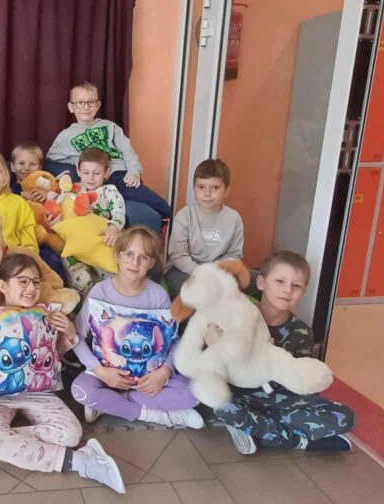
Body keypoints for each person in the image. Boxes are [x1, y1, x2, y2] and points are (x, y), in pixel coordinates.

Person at [0, 253, 126, 494]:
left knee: (71, 434)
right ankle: (80, 461)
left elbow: (51, 358)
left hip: (39, 393)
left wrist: (69, 333)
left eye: (36, 282)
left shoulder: (45, 315)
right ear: (3, 286)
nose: (31, 288)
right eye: (23, 281)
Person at [211, 251, 355, 455]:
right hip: (241, 396)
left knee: (345, 418)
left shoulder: (301, 332)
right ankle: (299, 441)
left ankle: (257, 428)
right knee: (222, 405)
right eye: (280, 281)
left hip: (280, 400)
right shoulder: (237, 317)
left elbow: (303, 382)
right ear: (261, 282)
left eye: (296, 286)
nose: (287, 290)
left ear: (303, 292)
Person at [71, 227, 203, 428]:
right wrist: (101, 372)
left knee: (196, 394)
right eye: (129, 255)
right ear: (117, 256)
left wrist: (164, 372)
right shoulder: (100, 292)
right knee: (80, 391)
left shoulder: (157, 294)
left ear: (151, 263)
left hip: (149, 375)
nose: (135, 263)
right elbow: (77, 336)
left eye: (143, 258)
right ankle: (154, 415)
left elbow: (173, 340)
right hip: (107, 374)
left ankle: (114, 401)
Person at [45, 82, 171, 232]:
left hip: (117, 174)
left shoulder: (110, 127)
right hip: (93, 179)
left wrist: (134, 171)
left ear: (98, 105)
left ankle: (167, 217)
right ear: (71, 107)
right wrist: (74, 164)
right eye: (80, 102)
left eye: (91, 102)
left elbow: (127, 150)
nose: (86, 107)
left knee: (152, 200)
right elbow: (50, 161)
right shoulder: (65, 136)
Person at [0, 147, 68, 282]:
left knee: (51, 267)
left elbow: (27, 232)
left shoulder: (18, 202)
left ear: (5, 171)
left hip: (17, 263)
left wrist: (29, 258)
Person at [164, 158, 244, 301]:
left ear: (226, 190)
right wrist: (202, 272)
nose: (207, 193)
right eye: (201, 187)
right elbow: (178, 255)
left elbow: (234, 255)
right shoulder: (185, 215)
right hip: (182, 270)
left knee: (258, 279)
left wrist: (216, 273)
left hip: (218, 272)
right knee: (188, 290)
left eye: (215, 188)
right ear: (194, 188)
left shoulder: (234, 218)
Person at [75, 148, 125, 247]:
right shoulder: (73, 189)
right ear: (78, 171)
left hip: (98, 236)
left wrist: (114, 227)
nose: (90, 178)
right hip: (76, 235)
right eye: (86, 172)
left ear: (106, 173)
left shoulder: (109, 190)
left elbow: (119, 212)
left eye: (96, 173)